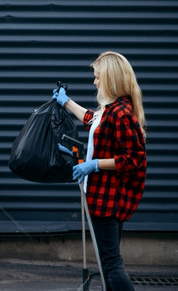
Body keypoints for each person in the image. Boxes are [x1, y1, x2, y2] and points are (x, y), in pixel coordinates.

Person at [53, 51, 147, 291]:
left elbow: (133, 159)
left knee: (111, 264)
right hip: (101, 196)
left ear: (110, 79)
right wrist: (66, 101)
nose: (94, 82)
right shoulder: (110, 109)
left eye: (97, 78)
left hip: (108, 200)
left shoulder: (121, 114)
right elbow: (92, 121)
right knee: (109, 263)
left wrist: (94, 164)